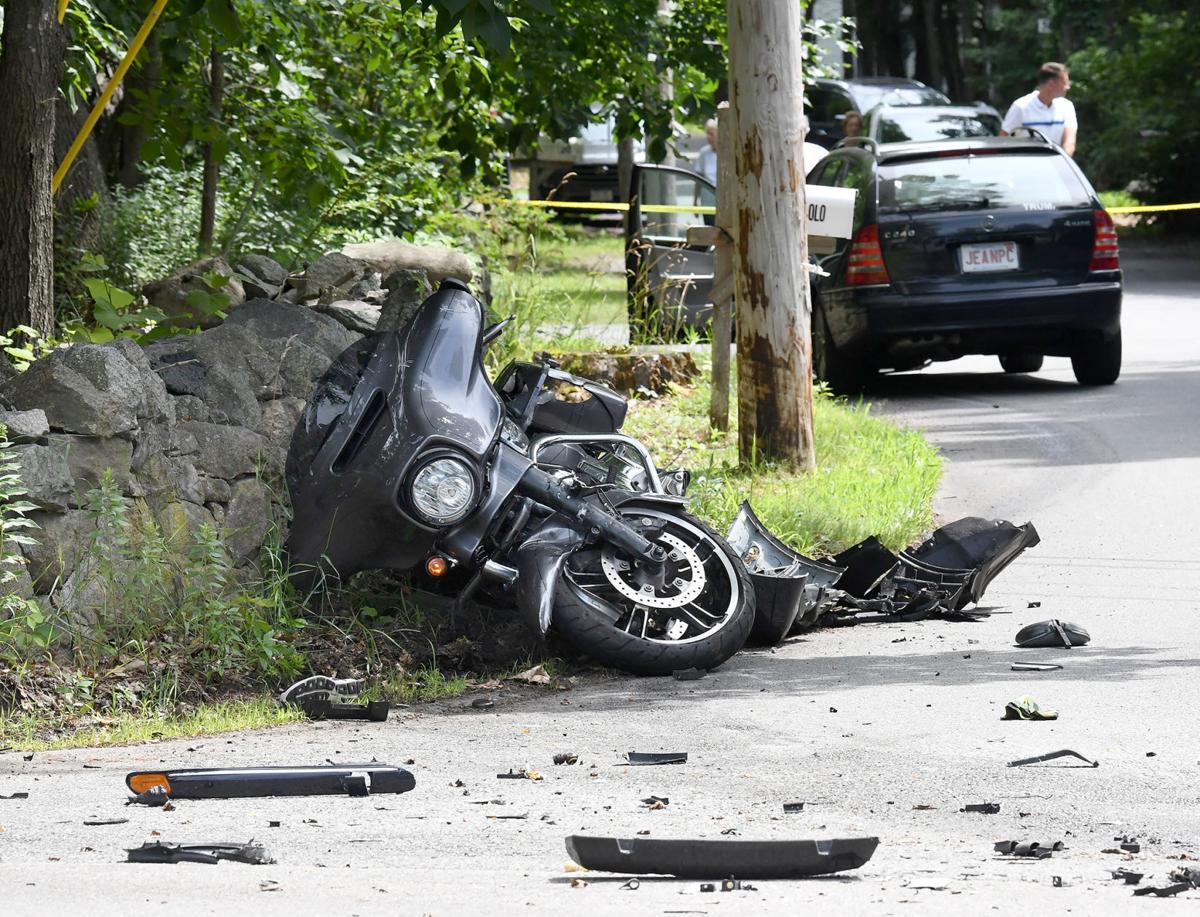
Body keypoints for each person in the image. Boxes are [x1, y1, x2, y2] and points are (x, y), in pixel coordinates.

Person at [1001, 61, 1077, 156]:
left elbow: (1069, 142)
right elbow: (1004, 140)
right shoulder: (1021, 106)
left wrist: (1063, 161)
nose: (1068, 87)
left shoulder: (1066, 106)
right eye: (1065, 83)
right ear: (1051, 84)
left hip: (1055, 165)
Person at [697, 118, 719, 186]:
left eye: (711, 134)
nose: (708, 137)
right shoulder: (704, 152)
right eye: (707, 133)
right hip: (707, 194)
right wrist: (696, 196)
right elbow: (699, 177)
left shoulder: (729, 154)